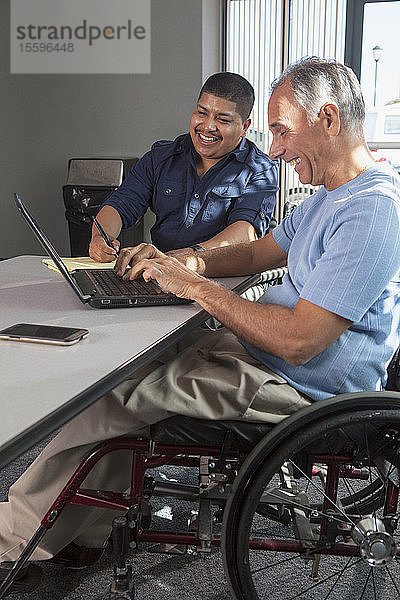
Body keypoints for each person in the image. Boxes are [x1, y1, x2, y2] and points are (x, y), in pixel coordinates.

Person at [1, 57, 400, 590]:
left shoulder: (371, 210)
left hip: (303, 385)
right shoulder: (332, 196)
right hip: (270, 359)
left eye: (281, 130)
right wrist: (188, 264)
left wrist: (194, 288)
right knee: (128, 370)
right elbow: (258, 253)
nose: (276, 149)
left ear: (327, 119)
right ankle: (84, 528)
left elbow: (301, 342)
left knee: (114, 396)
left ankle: (19, 535)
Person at [88, 71, 278, 261]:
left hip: (223, 278)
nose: (208, 126)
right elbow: (120, 204)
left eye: (223, 120)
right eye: (201, 113)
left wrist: (177, 259)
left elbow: (244, 234)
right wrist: (99, 237)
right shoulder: (161, 157)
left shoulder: (260, 170)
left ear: (245, 127)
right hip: (160, 273)